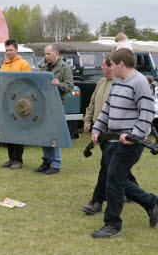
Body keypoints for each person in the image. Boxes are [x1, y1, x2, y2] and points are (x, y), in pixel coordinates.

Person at [90, 48, 158, 238]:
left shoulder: (140, 83)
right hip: (111, 139)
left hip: (130, 143)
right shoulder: (118, 81)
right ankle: (151, 202)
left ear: (120, 64)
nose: (110, 68)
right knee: (116, 179)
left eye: (111, 64)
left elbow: (147, 114)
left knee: (113, 179)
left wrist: (133, 135)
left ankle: (113, 226)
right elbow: (107, 108)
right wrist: (97, 129)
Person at [82, 54, 139, 215]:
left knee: (107, 168)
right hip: (102, 133)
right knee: (116, 169)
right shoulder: (101, 82)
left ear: (112, 66)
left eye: (104, 64)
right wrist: (89, 121)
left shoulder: (124, 83)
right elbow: (93, 104)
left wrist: (136, 133)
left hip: (114, 135)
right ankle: (139, 194)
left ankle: (97, 201)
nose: (102, 67)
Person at [33, 44, 74, 175]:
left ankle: (55, 164)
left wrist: (58, 84)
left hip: (56, 105)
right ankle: (46, 161)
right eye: (45, 54)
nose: (45, 56)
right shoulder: (43, 67)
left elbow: (69, 86)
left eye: (48, 54)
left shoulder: (65, 68)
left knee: (55, 135)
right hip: (43, 105)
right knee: (44, 133)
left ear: (56, 53)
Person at [0, 39, 32, 169]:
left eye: (10, 50)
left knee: (18, 131)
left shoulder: (24, 64)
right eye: (6, 50)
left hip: (19, 103)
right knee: (8, 130)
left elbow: (28, 84)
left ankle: (18, 160)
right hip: (7, 103)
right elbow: (2, 83)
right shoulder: (4, 66)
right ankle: (11, 158)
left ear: (16, 50)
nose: (8, 52)